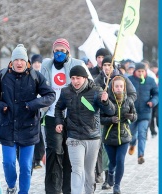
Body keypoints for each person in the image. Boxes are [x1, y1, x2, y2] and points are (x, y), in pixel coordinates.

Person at [0, 44, 56, 194]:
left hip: (29, 127)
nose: (19, 63)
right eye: (16, 60)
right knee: (9, 163)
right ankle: (11, 186)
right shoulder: (3, 75)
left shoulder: (35, 76)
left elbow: (50, 95)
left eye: (22, 60)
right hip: (7, 127)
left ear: (27, 62)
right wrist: (0, 106)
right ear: (11, 62)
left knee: (26, 166)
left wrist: (34, 104)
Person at [40, 38, 93, 194]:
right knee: (54, 152)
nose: (59, 53)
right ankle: (52, 190)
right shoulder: (46, 65)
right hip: (51, 115)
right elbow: (40, 85)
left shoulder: (77, 65)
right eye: (56, 50)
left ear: (68, 51)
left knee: (70, 156)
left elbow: (90, 85)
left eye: (62, 50)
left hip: (72, 116)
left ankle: (68, 190)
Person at [55, 65, 115, 194]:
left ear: (85, 78)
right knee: (77, 169)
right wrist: (59, 122)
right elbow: (58, 108)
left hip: (93, 137)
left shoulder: (96, 91)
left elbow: (110, 111)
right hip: (74, 136)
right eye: (72, 78)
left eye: (78, 78)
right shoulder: (66, 92)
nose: (75, 81)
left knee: (89, 172)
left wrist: (105, 102)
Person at [94, 55, 137, 188]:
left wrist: (127, 109)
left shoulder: (122, 79)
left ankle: (114, 184)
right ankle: (107, 174)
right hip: (105, 125)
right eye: (105, 65)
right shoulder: (98, 79)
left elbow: (133, 96)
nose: (107, 67)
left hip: (123, 132)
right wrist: (105, 100)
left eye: (109, 65)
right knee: (107, 156)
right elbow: (96, 96)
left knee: (120, 160)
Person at [101, 75, 137, 194]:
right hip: (109, 137)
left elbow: (135, 116)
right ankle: (110, 173)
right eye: (116, 86)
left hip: (124, 136)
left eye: (121, 86)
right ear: (112, 87)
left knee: (120, 160)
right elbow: (100, 118)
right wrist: (110, 120)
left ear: (124, 87)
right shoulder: (106, 100)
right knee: (113, 162)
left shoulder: (129, 100)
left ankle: (117, 185)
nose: (119, 88)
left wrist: (132, 117)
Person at [128, 63, 158, 164]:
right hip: (132, 112)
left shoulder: (150, 80)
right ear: (135, 71)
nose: (141, 73)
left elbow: (156, 94)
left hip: (145, 112)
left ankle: (140, 155)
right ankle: (132, 144)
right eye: (139, 71)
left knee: (142, 133)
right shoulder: (130, 80)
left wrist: (153, 101)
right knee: (131, 134)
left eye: (142, 71)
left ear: (145, 72)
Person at [30, 54, 46, 169]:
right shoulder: (28, 75)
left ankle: (38, 158)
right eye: (34, 62)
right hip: (31, 108)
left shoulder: (43, 76)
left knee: (40, 134)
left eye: (38, 62)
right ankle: (33, 158)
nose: (36, 64)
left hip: (42, 109)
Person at [149, 59, 159, 137]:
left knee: (158, 115)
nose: (154, 69)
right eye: (152, 68)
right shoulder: (149, 75)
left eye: (155, 67)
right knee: (151, 116)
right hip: (151, 97)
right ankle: (153, 132)